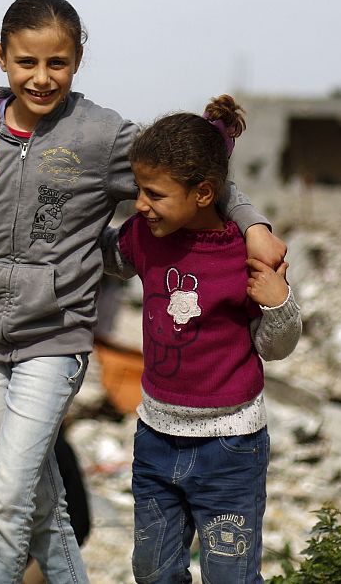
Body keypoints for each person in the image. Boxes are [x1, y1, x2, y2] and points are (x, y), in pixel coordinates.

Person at [0, 0, 285, 584]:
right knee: (38, 506)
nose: (41, 77)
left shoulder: (101, 136)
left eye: (56, 62)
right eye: (26, 62)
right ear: (1, 57)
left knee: (4, 498)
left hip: (56, 338)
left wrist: (255, 226)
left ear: (78, 60)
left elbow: (193, 171)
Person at [103, 95, 301, 584]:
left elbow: (276, 347)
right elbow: (110, 258)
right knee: (153, 571)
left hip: (230, 447)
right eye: (138, 191)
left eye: (154, 194)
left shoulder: (245, 252)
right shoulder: (146, 235)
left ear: (205, 193)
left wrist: (278, 301)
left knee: (229, 575)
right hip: (155, 438)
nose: (141, 204)